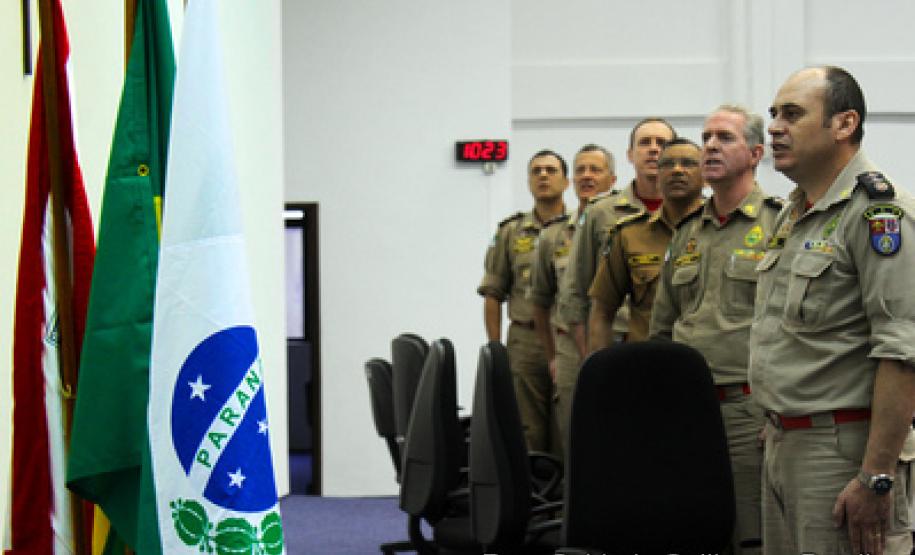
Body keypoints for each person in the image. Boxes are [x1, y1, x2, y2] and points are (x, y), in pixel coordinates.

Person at [749, 66, 915, 555]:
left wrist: (877, 475)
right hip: (783, 444)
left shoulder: (879, 213)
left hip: (843, 454)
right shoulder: (794, 212)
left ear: (844, 123)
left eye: (792, 114)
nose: (775, 127)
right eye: (774, 114)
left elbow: (902, 351)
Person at [650, 105, 782, 554]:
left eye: (724, 138)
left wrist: (778, 409)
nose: (709, 146)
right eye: (706, 137)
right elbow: (662, 329)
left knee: (751, 536)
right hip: (688, 411)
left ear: (756, 153)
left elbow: (794, 330)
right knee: (691, 532)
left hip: (749, 412)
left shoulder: (780, 223)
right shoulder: (688, 232)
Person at [558, 118, 676, 355]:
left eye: (661, 143)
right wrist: (591, 358)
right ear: (630, 155)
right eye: (645, 142)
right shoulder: (601, 212)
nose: (653, 149)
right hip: (614, 343)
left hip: (678, 342)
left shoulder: (693, 212)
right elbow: (576, 290)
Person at [478, 149, 569, 452]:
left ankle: (564, 483)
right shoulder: (511, 231)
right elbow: (493, 293)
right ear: (528, 182)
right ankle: (532, 483)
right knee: (526, 428)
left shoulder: (578, 229)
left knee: (566, 425)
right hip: (525, 341)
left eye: (551, 170)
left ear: (566, 182)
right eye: (536, 171)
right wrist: (495, 349)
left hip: (566, 338)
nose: (543, 176)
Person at [530, 144, 616, 450]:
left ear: (612, 179)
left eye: (595, 170)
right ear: (572, 180)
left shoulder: (626, 228)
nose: (587, 176)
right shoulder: (553, 234)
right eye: (580, 170)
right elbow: (540, 301)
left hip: (615, 341)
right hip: (569, 347)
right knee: (574, 438)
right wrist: (552, 356)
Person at [588, 137, 704, 351]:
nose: (677, 170)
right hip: (646, 360)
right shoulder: (630, 234)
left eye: (688, 163)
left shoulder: (720, 231)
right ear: (657, 176)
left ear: (706, 175)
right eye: (667, 164)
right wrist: (601, 367)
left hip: (708, 363)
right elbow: (602, 312)